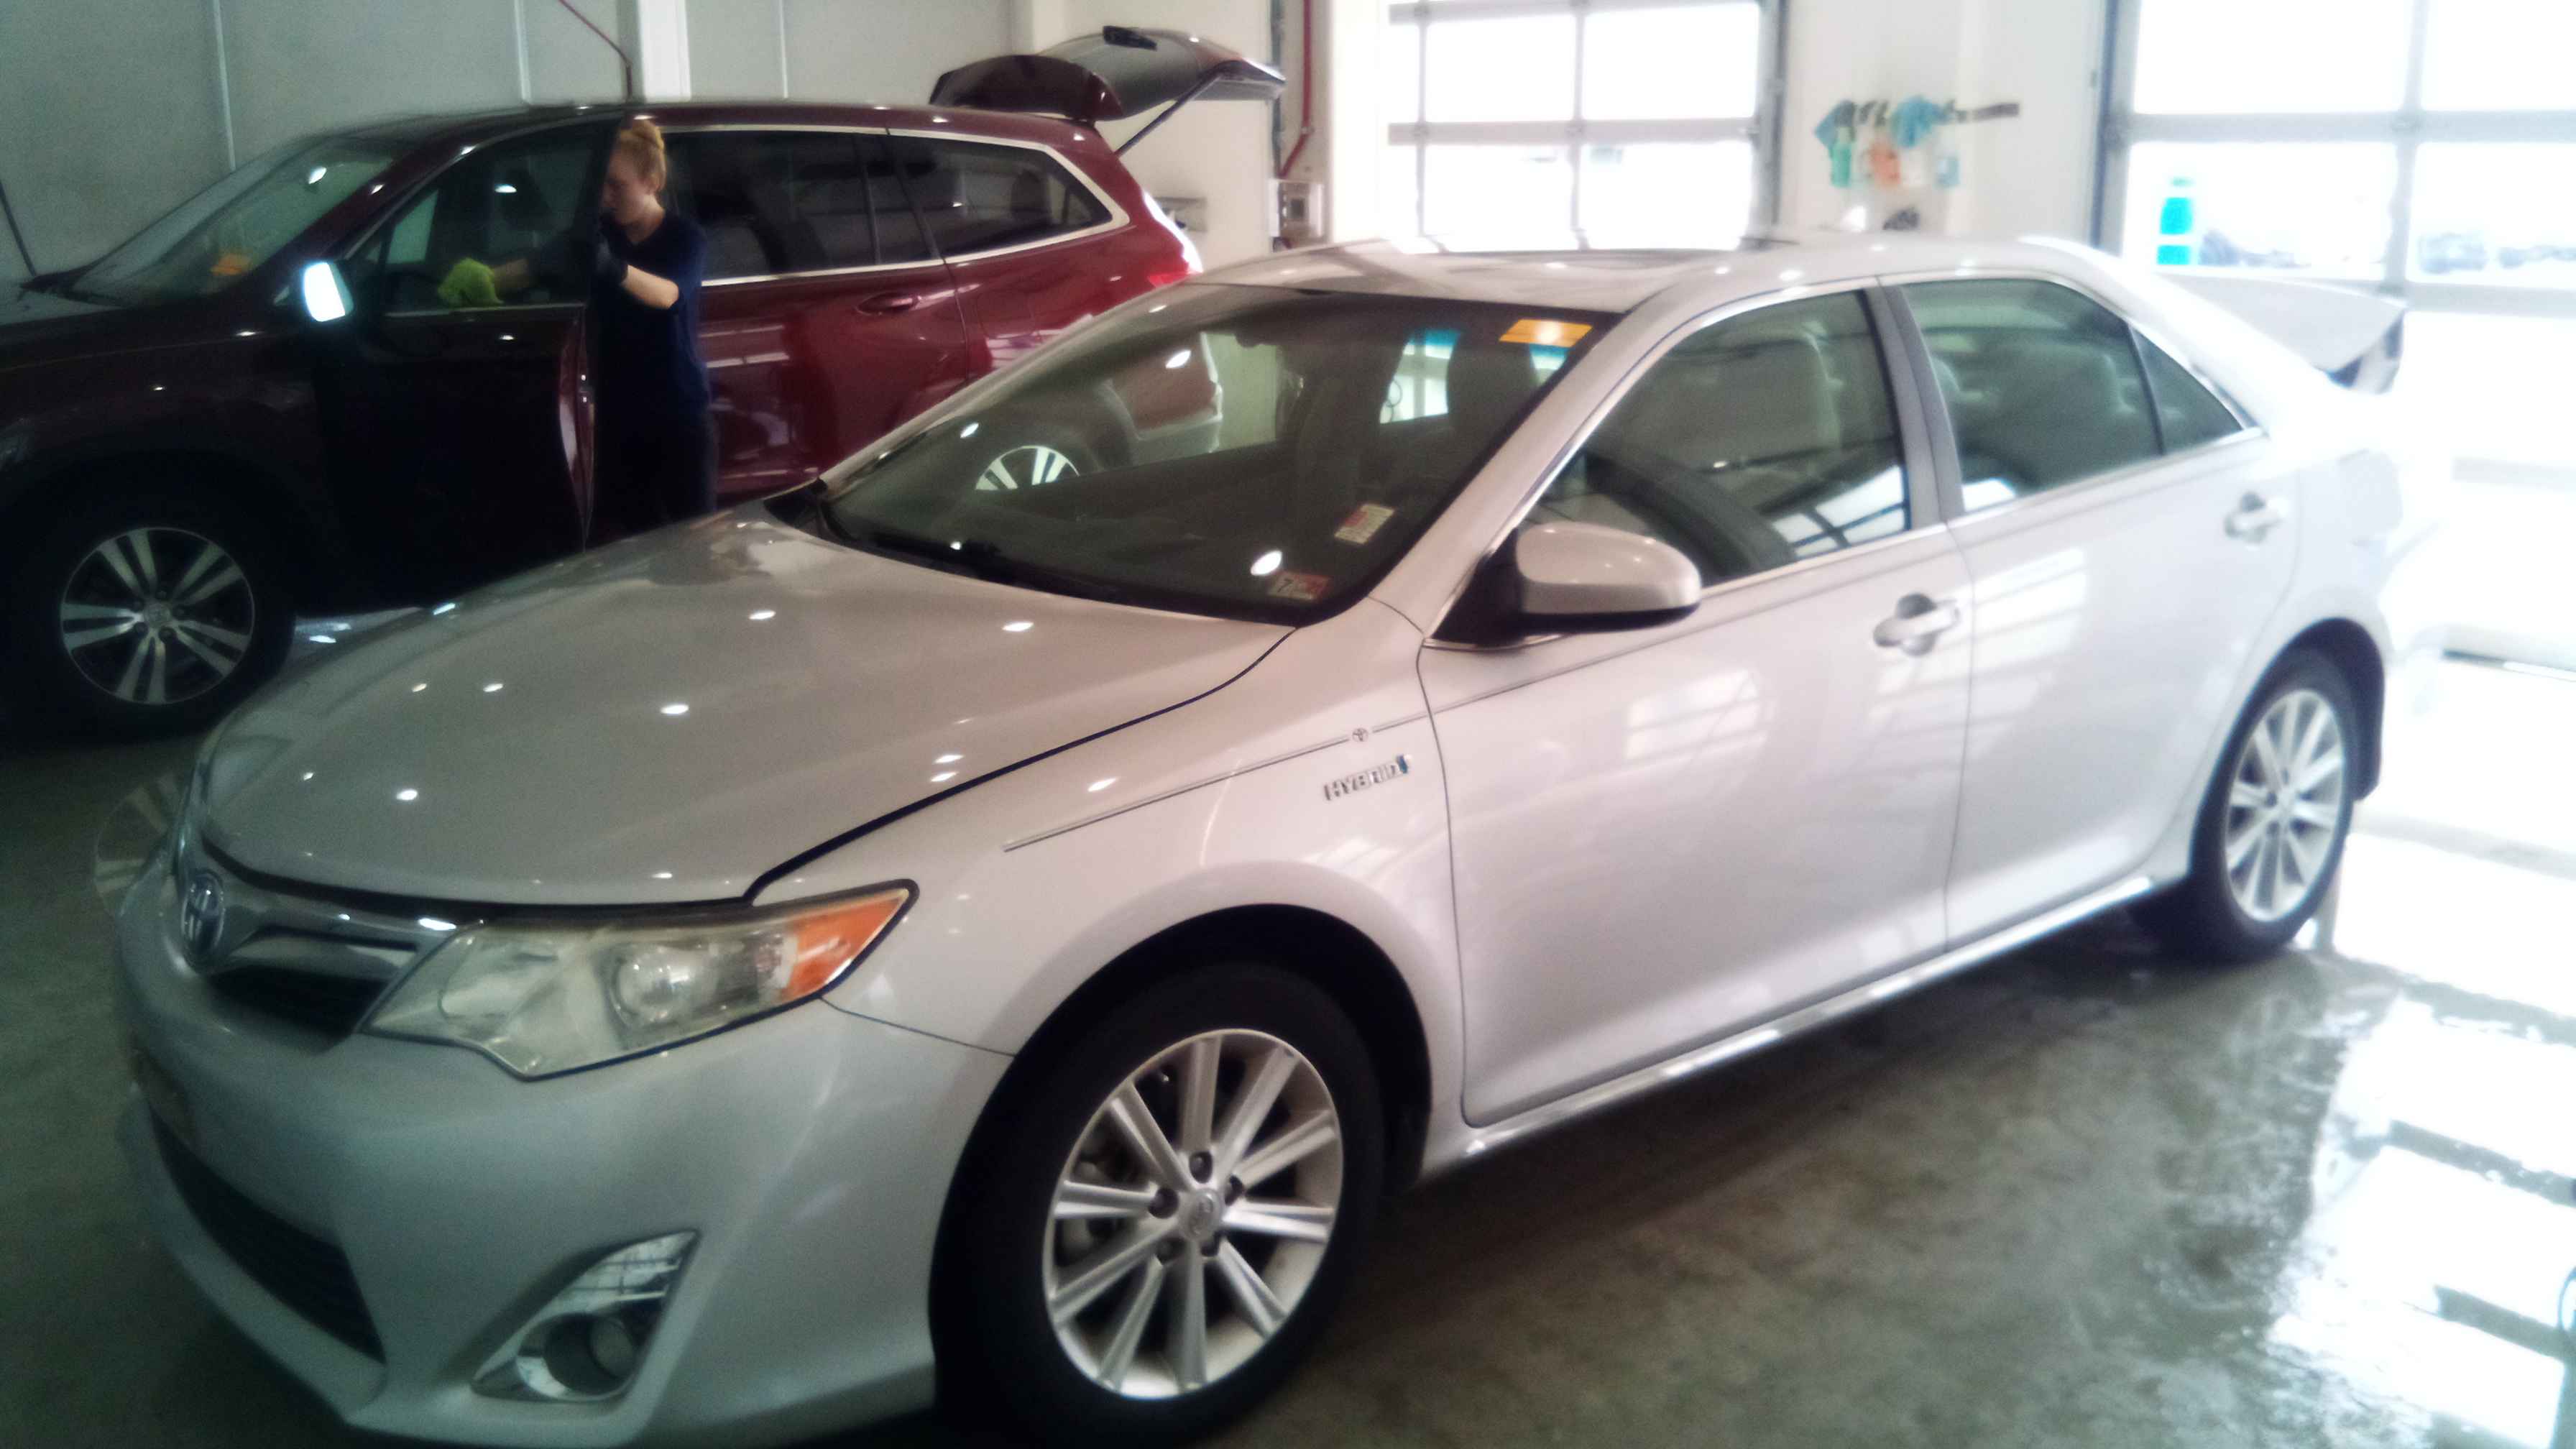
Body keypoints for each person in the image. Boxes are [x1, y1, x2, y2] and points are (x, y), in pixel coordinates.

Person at [583, 119, 713, 539]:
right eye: (602, 186)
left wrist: (611, 267)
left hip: (676, 411)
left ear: (651, 182)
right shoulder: (603, 233)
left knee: (691, 535)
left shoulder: (685, 237)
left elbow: (668, 294)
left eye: (616, 186)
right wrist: (485, 278)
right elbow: (540, 265)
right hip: (618, 412)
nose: (606, 197)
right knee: (629, 538)